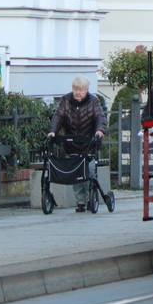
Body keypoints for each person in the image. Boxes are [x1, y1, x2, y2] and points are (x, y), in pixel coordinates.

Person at [47, 75, 106, 212]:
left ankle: (91, 197)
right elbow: (58, 116)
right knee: (76, 174)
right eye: (75, 89)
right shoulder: (65, 100)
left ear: (87, 90)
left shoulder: (93, 101)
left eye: (81, 89)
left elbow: (99, 117)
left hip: (89, 144)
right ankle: (80, 202)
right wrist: (53, 131)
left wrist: (99, 130)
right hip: (72, 143)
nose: (78, 92)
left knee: (90, 173)